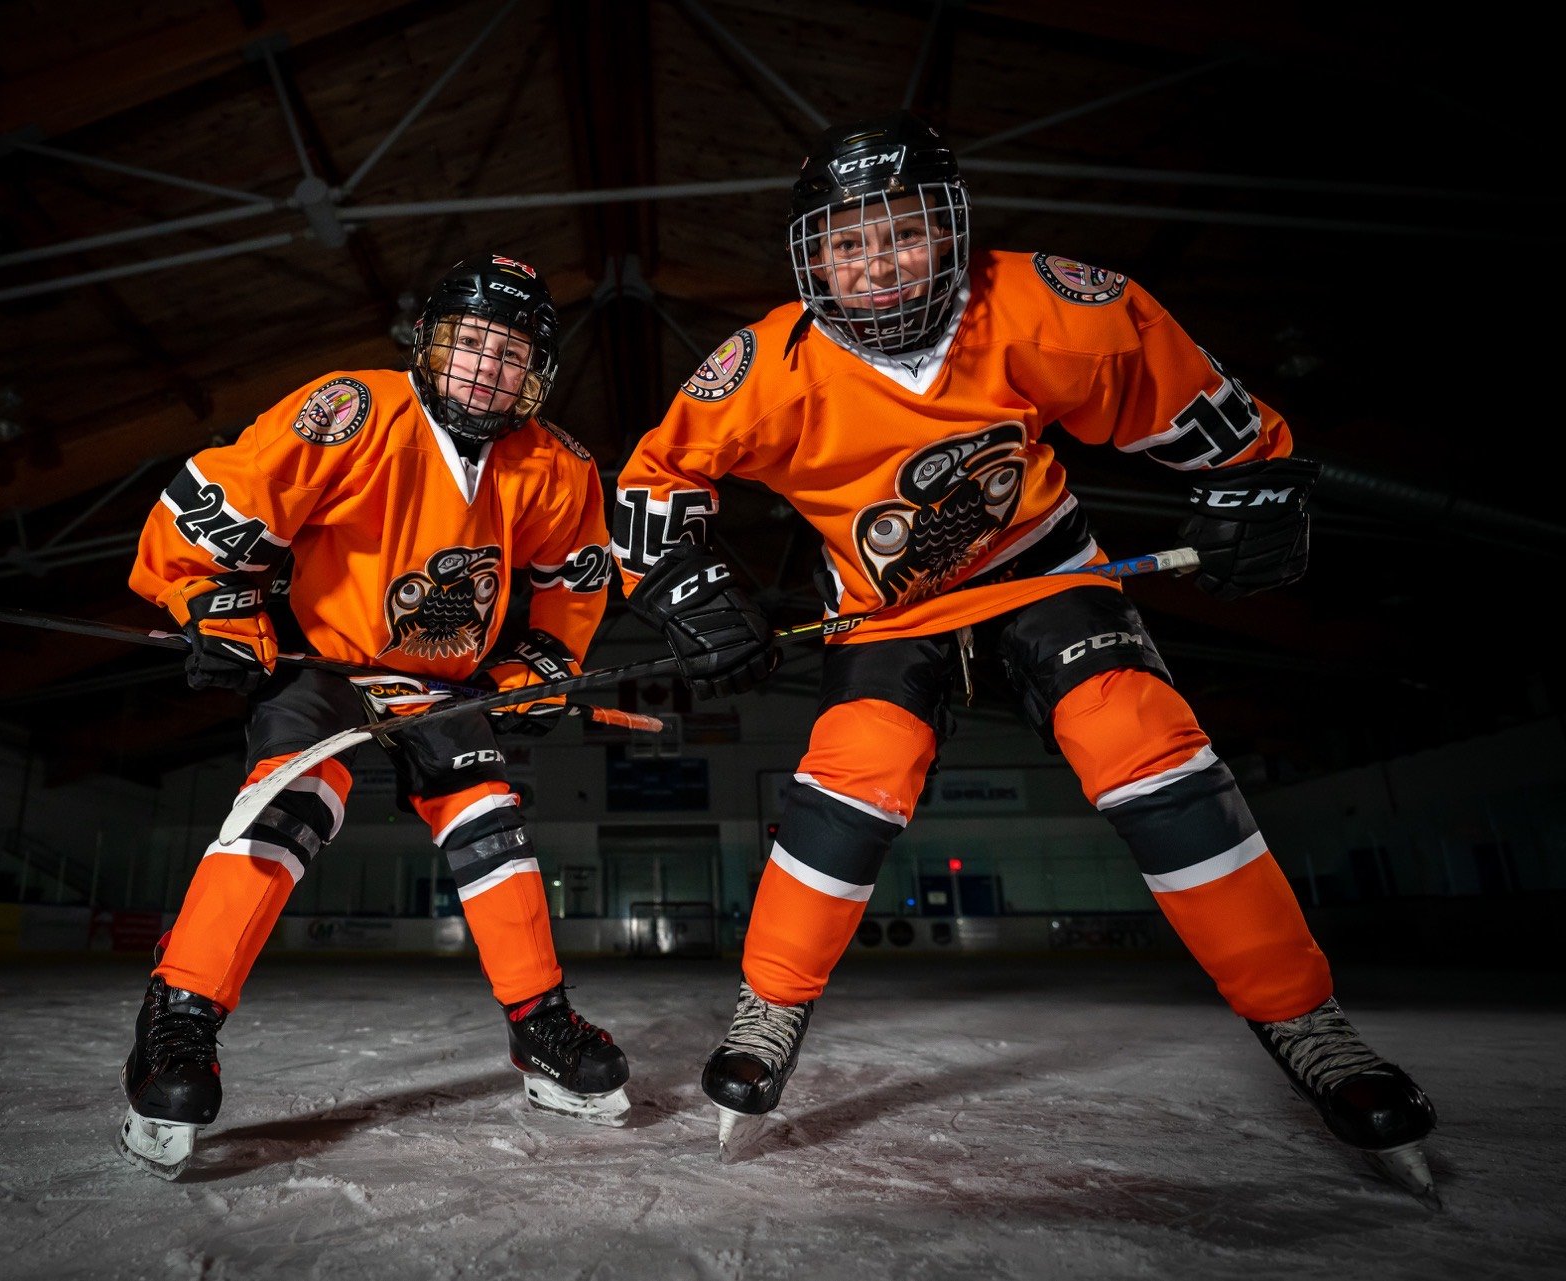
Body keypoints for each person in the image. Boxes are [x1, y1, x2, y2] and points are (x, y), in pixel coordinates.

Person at [610, 112, 1438, 1198]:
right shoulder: (764, 369)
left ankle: (1310, 1025)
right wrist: (683, 583)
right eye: (848, 244)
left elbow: (1187, 400)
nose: (877, 264)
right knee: (850, 782)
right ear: (811, 258)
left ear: (949, 232)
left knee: (1139, 739)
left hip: (1044, 573)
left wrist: (1254, 478)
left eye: (901, 233)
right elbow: (655, 483)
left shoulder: (1046, 304)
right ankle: (769, 1009)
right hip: (886, 615)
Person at [116, 254, 630, 1179]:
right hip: (327, 658)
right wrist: (211, 603)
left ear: (536, 375)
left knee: (491, 824)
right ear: (430, 344)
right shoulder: (353, 409)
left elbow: (576, 578)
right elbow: (215, 507)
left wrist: (546, 659)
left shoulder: (556, 463)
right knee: (289, 804)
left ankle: (541, 1024)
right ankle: (178, 1020)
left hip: (441, 681)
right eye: (469, 342)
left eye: (510, 354)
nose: (486, 367)